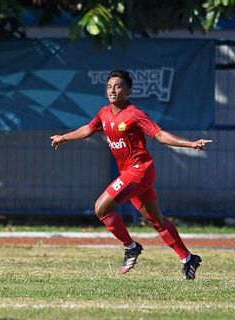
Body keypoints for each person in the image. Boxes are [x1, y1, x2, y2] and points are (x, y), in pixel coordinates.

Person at [50, 69, 212, 280]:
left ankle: (131, 247)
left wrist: (190, 144)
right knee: (157, 221)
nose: (112, 90)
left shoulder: (135, 114)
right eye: (109, 86)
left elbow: (160, 135)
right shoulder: (104, 113)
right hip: (130, 173)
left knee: (101, 207)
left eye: (117, 86)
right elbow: (88, 129)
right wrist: (64, 137)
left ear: (128, 91)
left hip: (140, 171)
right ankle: (188, 258)